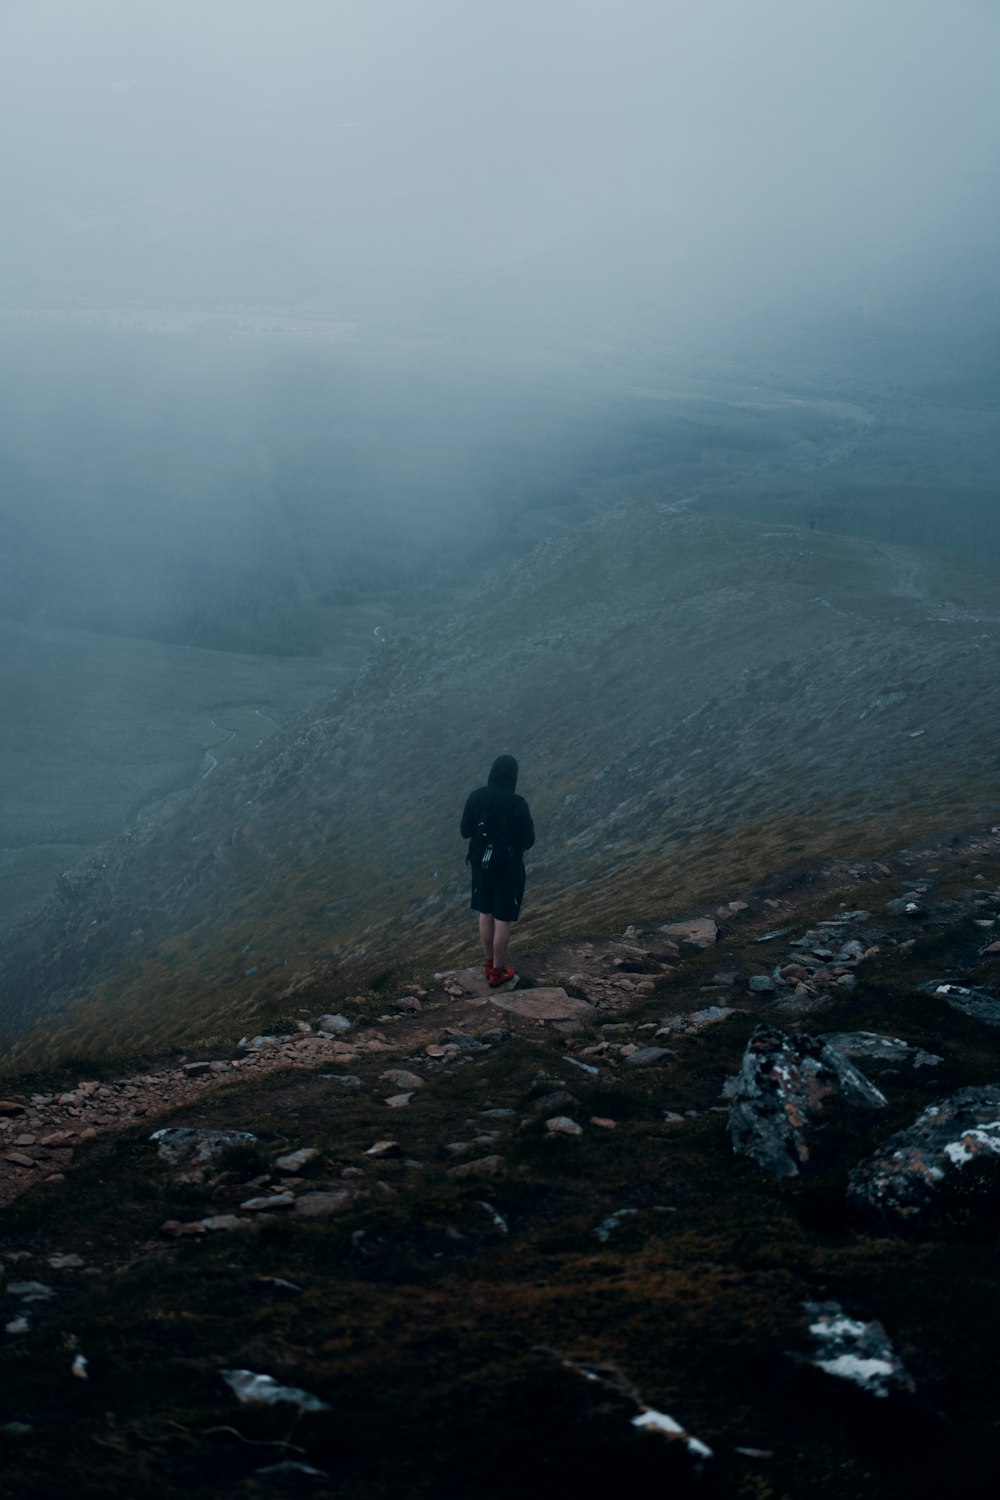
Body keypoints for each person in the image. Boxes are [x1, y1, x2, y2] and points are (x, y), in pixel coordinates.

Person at [460, 754, 535, 987]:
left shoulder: (476, 797)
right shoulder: (518, 804)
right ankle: (498, 971)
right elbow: (528, 840)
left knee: (485, 912)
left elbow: (465, 831)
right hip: (507, 868)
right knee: (502, 918)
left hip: (480, 865)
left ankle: (487, 963)